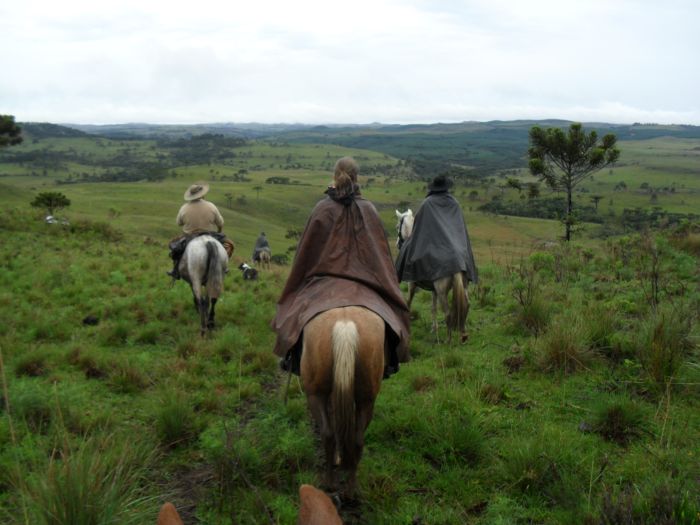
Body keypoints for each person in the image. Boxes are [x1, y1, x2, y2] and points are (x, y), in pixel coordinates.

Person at [271, 157, 410, 378]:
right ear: (357, 177)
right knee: (393, 312)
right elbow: (381, 258)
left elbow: (305, 256)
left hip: (323, 281)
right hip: (365, 282)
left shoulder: (322, 209)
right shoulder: (369, 210)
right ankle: (391, 359)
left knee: (295, 312)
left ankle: (292, 358)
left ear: (335, 176)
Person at [396, 174, 478, 287]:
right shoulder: (455, 203)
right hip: (456, 244)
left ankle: (404, 276)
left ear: (433, 188)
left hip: (436, 244)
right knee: (465, 250)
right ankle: (468, 271)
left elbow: (418, 227)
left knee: (405, 249)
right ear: (446, 187)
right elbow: (460, 229)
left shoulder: (427, 203)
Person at [167, 183, 234, 280]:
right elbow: (220, 223)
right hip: (209, 235)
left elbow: (179, 223)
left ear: (190, 196)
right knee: (230, 245)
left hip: (189, 236)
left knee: (174, 246)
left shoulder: (184, 207)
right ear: (202, 194)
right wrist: (219, 231)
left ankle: (175, 270)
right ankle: (223, 267)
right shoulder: (211, 206)